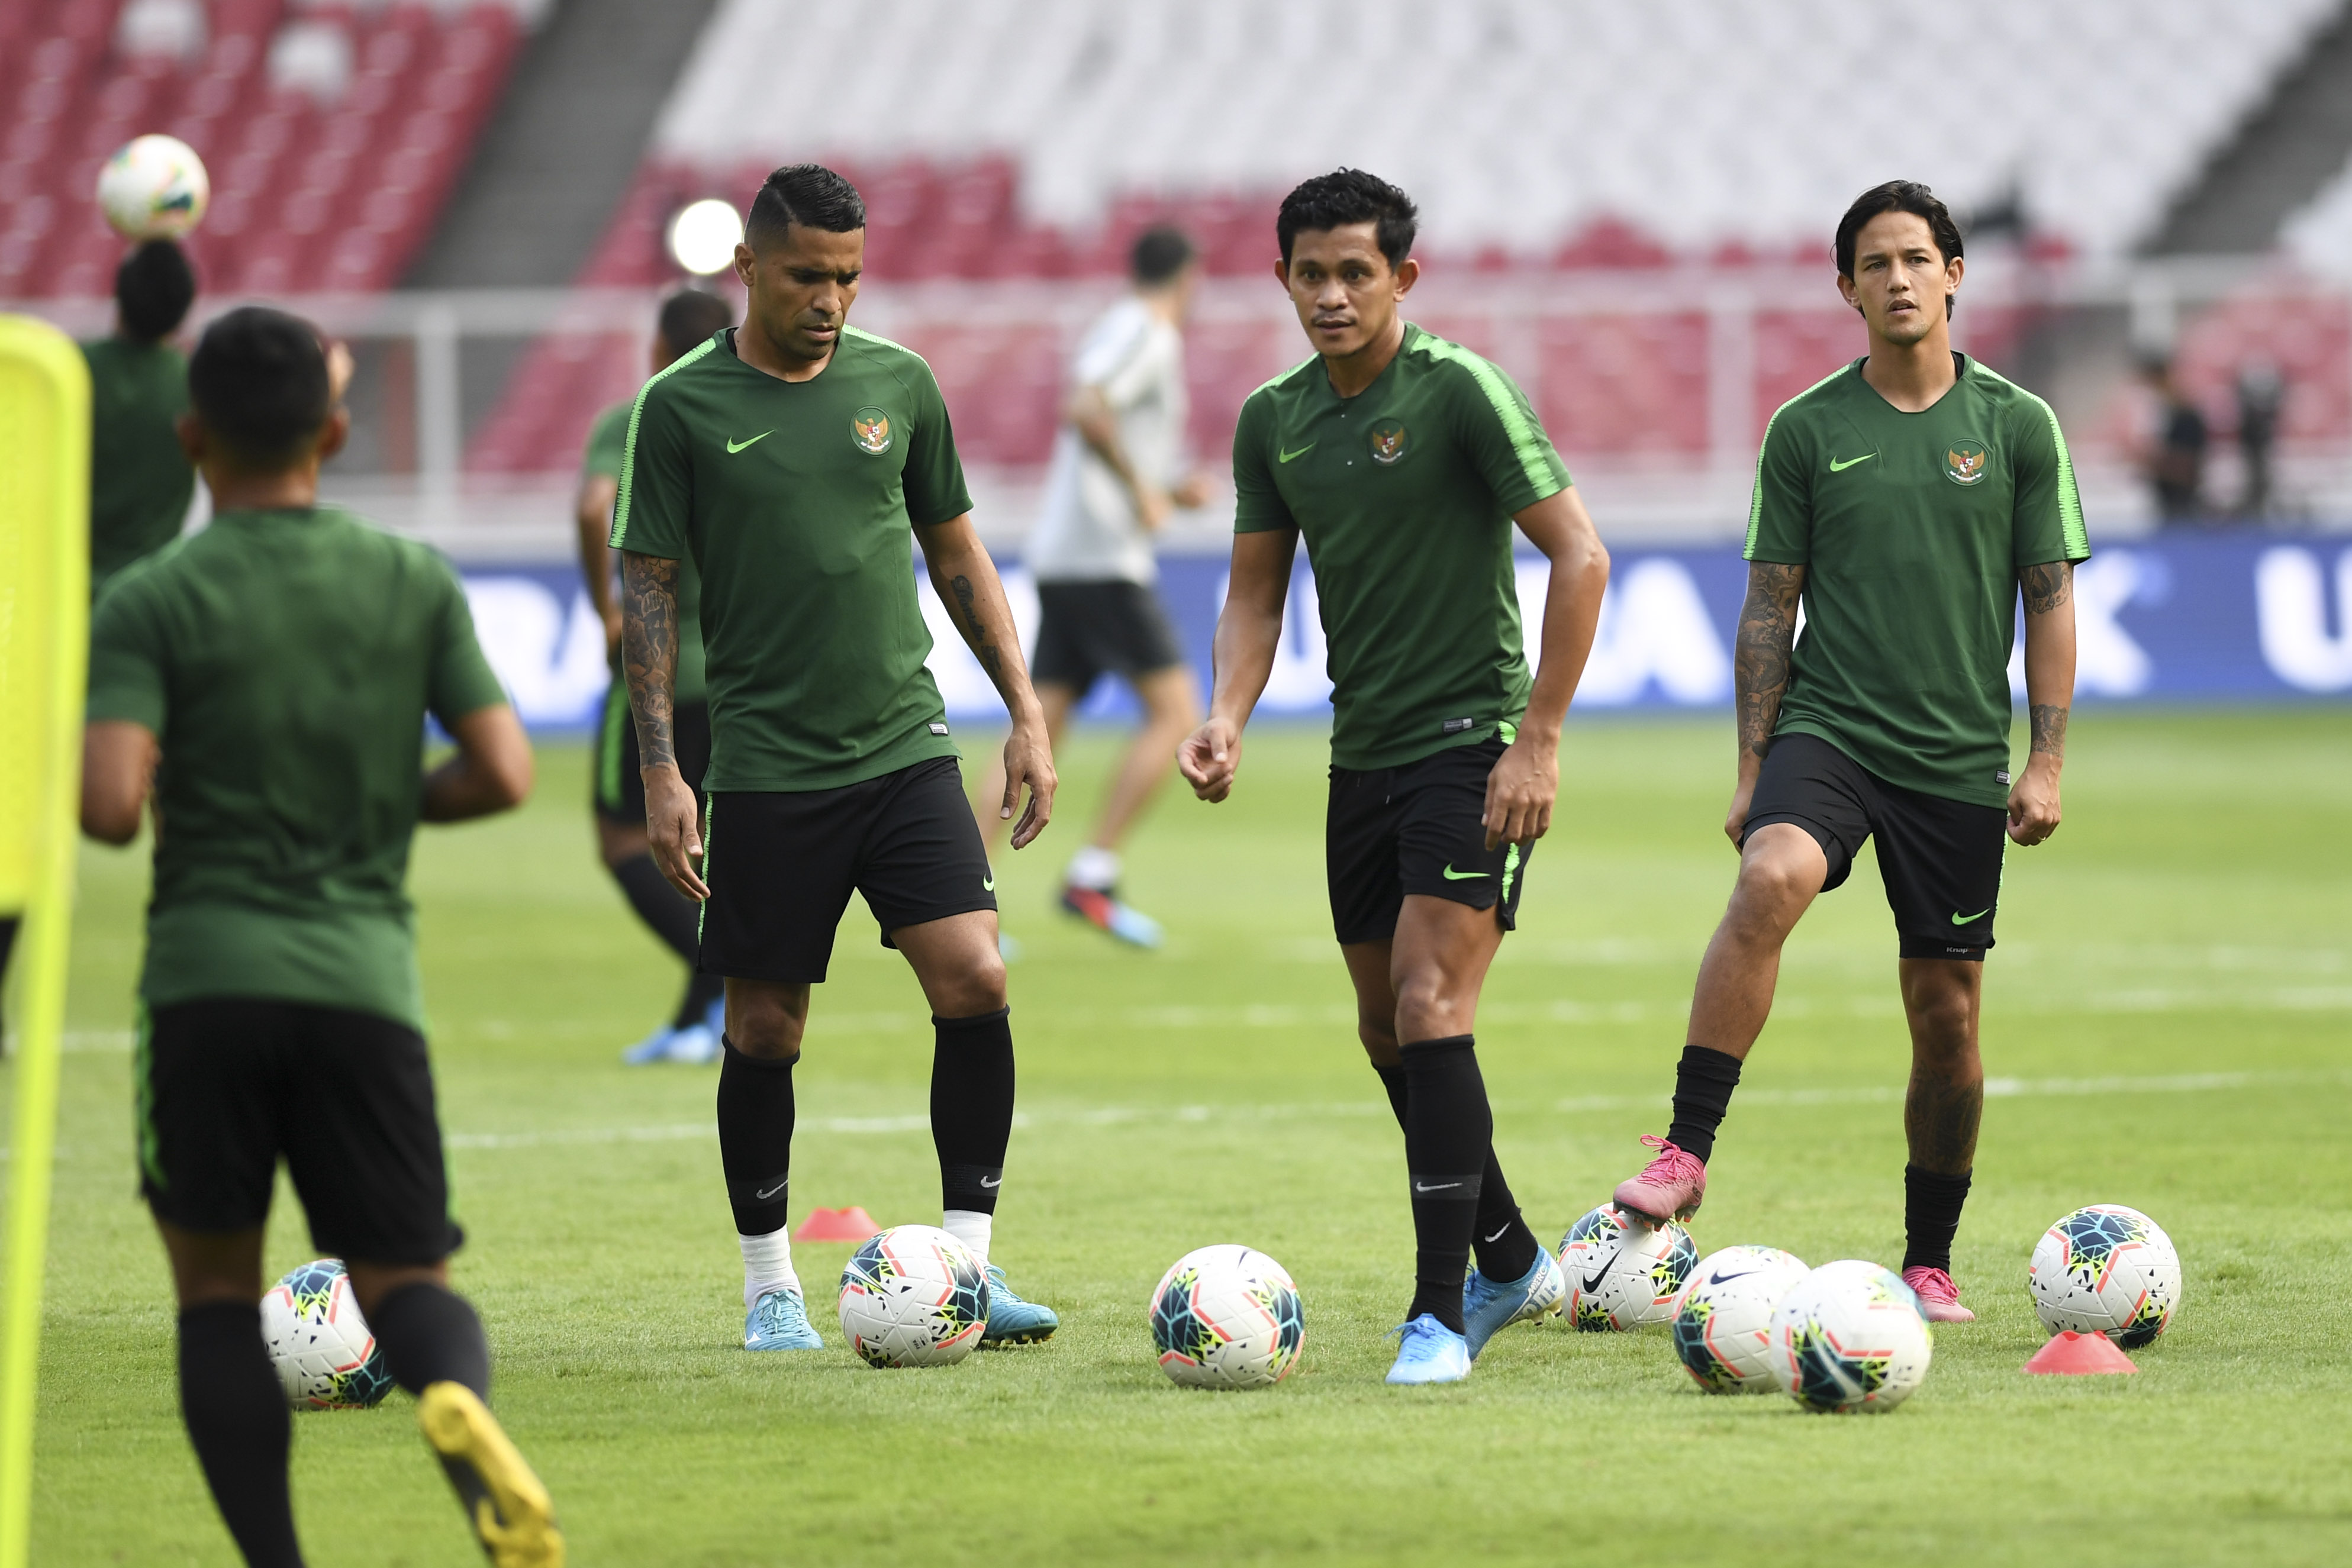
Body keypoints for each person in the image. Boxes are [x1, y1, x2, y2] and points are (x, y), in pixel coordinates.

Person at [80, 307, 560, 1566]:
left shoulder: (150, 597)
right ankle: (452, 1397)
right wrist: (380, 799)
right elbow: (505, 771)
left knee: (214, 1297)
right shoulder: (409, 578)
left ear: (191, 436)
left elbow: (110, 805)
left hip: (205, 983)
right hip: (362, 985)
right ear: (333, 434)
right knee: (407, 1283)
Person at [1606, 181, 2087, 1325]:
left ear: (1953, 275)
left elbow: (2048, 600)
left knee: (1946, 1016)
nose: (1897, 279)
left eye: (1916, 258)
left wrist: (2044, 761)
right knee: (1768, 876)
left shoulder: (2017, 426)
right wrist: (1749, 769)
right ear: (1845, 288)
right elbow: (1767, 608)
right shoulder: (1806, 429)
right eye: (1874, 263)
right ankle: (1683, 1150)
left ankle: (1928, 1258)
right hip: (1829, 729)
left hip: (1954, 757)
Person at [611, 164, 1062, 1353]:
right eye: (807, 276)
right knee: (766, 1028)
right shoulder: (679, 407)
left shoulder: (897, 384)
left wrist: (1023, 709)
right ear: (748, 268)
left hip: (904, 744)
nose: (830, 299)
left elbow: (957, 553)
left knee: (977, 977)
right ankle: (770, 1286)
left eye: (849, 278)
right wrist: (661, 769)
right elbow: (646, 591)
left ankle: (967, 1268)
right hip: (765, 765)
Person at [1176, 169, 1611, 1385]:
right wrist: (1224, 714)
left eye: (1354, 273)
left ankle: (1435, 1314)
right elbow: (1254, 592)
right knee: (1385, 1028)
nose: (1331, 295)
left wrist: (1538, 738)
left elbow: (1580, 557)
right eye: (1310, 274)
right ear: (1281, 278)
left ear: (1401, 278)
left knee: (1428, 1004)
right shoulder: (1272, 420)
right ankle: (1510, 1256)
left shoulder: (1460, 390)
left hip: (1472, 744)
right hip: (1357, 753)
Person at [977, 224, 1209, 947]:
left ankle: (957, 899)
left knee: (1036, 727)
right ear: (1188, 277)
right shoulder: (1149, 331)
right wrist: (1141, 490)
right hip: (1102, 557)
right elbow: (1086, 409)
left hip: (1068, 554)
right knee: (1178, 715)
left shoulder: (1114, 325)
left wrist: (1166, 486)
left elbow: (1098, 417)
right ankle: (1093, 873)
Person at [576, 288, 735, 1063]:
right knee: (705, 846)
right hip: (735, 670)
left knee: (626, 840)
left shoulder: (640, 416)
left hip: (657, 667)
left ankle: (725, 975)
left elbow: (592, 507)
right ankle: (697, 1018)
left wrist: (605, 606)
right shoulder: (744, 419)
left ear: (657, 351)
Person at [82, 237, 198, 597]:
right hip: (152, 595)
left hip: (67, 593)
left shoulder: (73, 371)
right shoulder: (195, 387)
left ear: (118, 295)